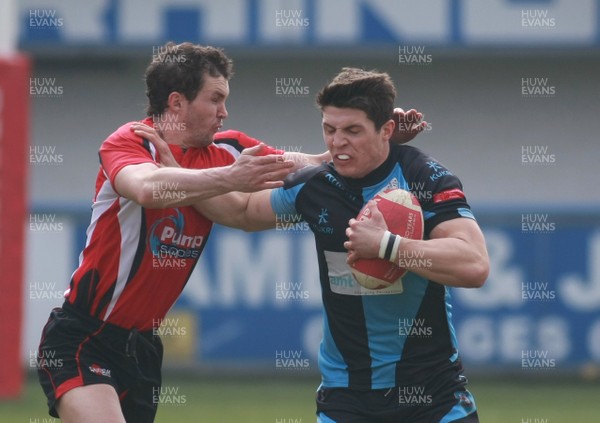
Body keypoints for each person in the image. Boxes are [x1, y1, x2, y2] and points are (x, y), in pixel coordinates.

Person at [36, 41, 426, 423]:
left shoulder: (228, 148)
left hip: (141, 347)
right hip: (83, 336)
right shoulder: (132, 142)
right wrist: (230, 177)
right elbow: (147, 189)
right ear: (176, 102)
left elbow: (311, 165)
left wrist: (378, 140)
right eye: (215, 99)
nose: (224, 112)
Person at [192, 67, 489, 422]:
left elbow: (474, 264)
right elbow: (241, 212)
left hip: (434, 397)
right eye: (329, 130)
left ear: (387, 130)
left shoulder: (424, 178)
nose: (336, 142)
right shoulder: (315, 185)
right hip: (346, 400)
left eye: (352, 131)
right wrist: (177, 171)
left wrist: (386, 245)